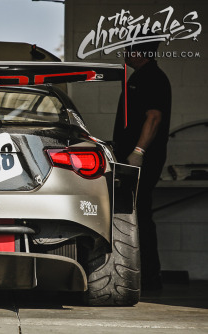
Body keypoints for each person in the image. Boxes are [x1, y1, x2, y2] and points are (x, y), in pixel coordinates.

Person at [113, 35, 171, 291]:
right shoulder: (140, 77)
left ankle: (149, 277)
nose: (125, 53)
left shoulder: (153, 78)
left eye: (128, 49)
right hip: (131, 160)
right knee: (136, 214)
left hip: (141, 161)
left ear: (139, 52)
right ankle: (145, 275)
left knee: (140, 216)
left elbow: (154, 117)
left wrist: (138, 152)